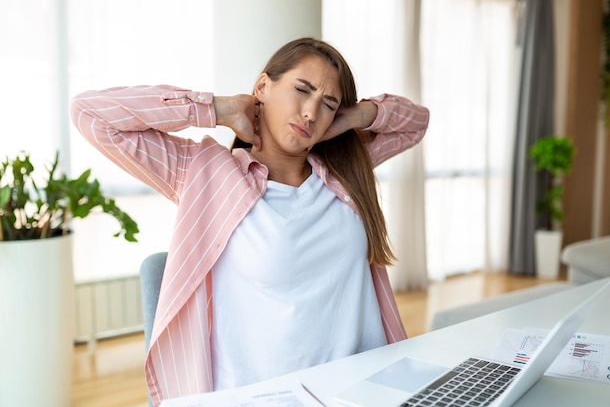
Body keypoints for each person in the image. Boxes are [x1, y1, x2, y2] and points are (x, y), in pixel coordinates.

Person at [70, 37, 429, 405]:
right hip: (266, 397)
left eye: (327, 104)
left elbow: (416, 123)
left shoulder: (345, 172)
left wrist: (355, 116)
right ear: (262, 87)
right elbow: (90, 114)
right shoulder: (207, 174)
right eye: (301, 90)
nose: (310, 112)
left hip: (364, 388)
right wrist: (216, 109)